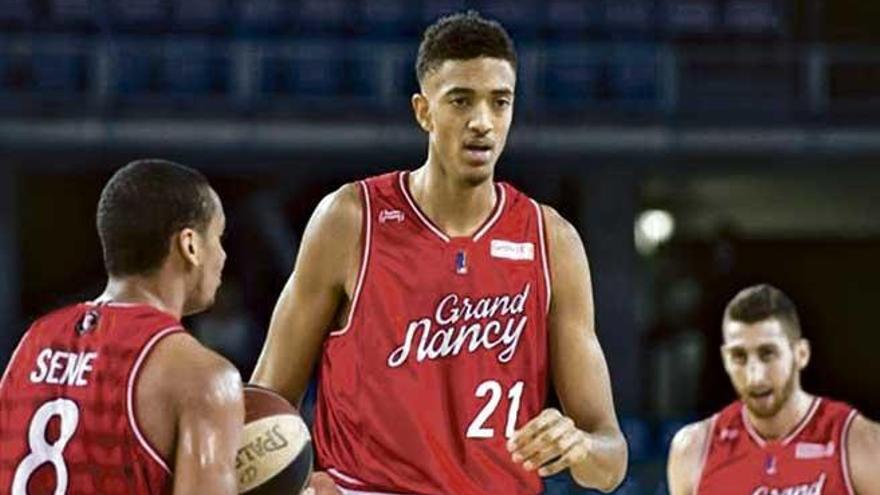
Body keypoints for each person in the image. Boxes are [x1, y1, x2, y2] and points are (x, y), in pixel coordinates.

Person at [251, 11, 627, 495]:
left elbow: (611, 460)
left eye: (500, 102)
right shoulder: (351, 219)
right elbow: (266, 404)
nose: (482, 123)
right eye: (460, 101)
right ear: (423, 111)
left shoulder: (551, 240)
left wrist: (579, 445)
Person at [0, 160, 243, 494]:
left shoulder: (34, 341)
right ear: (190, 245)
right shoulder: (204, 377)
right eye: (218, 236)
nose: (224, 255)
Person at [667, 284, 880, 494]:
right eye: (739, 356)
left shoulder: (858, 442)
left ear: (801, 354)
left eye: (767, 354)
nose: (755, 376)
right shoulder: (693, 450)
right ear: (725, 359)